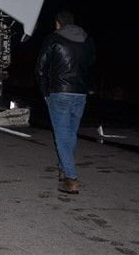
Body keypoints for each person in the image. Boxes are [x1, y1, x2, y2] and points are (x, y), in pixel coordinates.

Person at [34, 10, 96, 194]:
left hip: (60, 94)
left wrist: (46, 93)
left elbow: (39, 69)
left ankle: (71, 179)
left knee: (61, 136)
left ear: (58, 23)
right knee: (70, 134)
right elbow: (91, 65)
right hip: (80, 95)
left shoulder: (54, 39)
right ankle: (63, 168)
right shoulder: (87, 40)